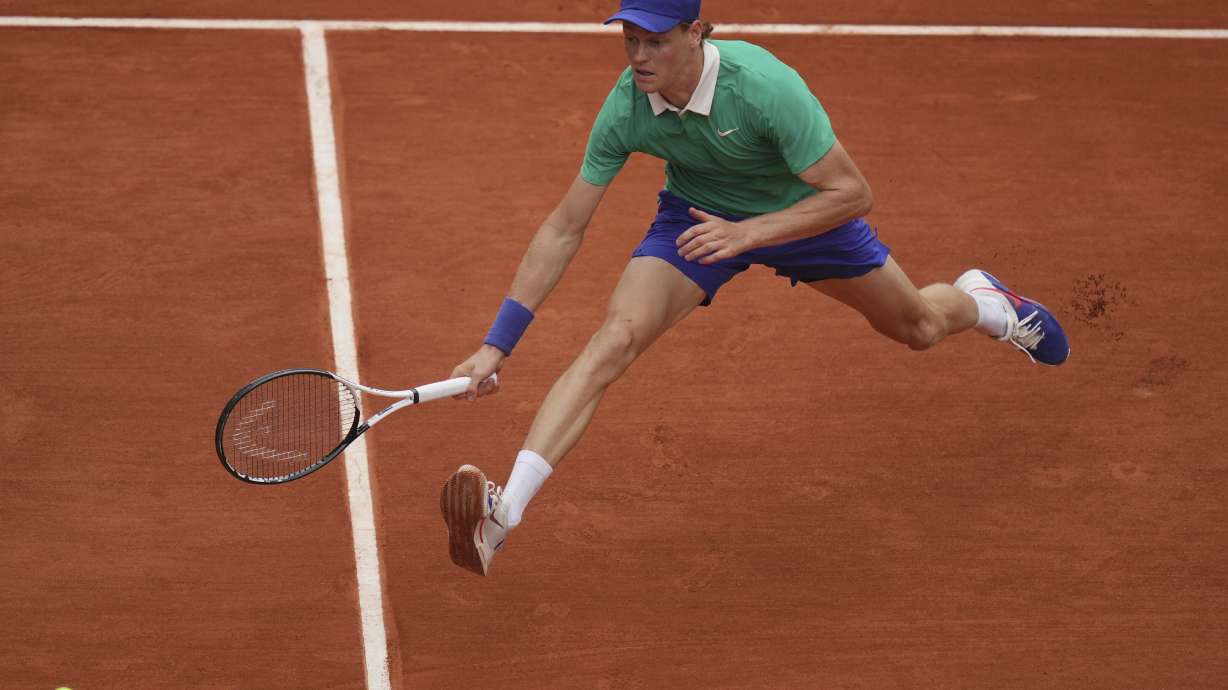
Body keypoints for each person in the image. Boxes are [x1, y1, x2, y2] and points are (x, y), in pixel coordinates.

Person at [439, 0, 1070, 577]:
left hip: (804, 218)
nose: (638, 57)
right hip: (697, 219)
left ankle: (987, 304)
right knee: (615, 339)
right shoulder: (627, 104)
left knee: (920, 328)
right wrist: (498, 344)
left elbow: (852, 193)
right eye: (630, 40)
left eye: (655, 41)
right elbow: (563, 228)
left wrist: (750, 234)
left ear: (695, 33)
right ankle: (505, 513)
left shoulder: (764, 87)